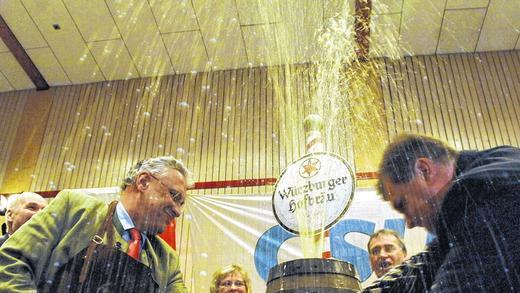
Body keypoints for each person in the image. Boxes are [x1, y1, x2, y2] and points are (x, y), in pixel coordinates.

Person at [0, 156, 190, 292]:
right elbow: (11, 263)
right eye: (174, 196)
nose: (177, 211)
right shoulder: (74, 209)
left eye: (181, 204)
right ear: (143, 182)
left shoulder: (166, 258)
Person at [375, 133, 520, 292]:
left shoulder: (483, 194)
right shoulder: (498, 164)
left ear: (423, 170)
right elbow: (431, 262)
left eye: (403, 204)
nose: (409, 223)